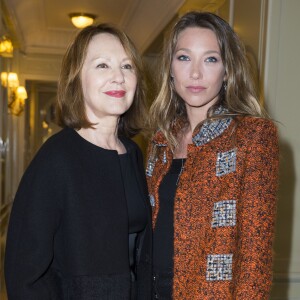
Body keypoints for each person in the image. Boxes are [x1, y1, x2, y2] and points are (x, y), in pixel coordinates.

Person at [5, 23, 152, 300]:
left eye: (127, 66)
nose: (118, 77)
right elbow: (24, 275)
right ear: (76, 79)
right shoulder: (56, 159)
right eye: (102, 66)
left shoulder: (133, 153)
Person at [146, 11, 279, 299]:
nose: (195, 73)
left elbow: (255, 257)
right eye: (184, 58)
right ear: (170, 68)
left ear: (228, 70)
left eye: (210, 59)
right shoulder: (160, 141)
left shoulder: (252, 136)